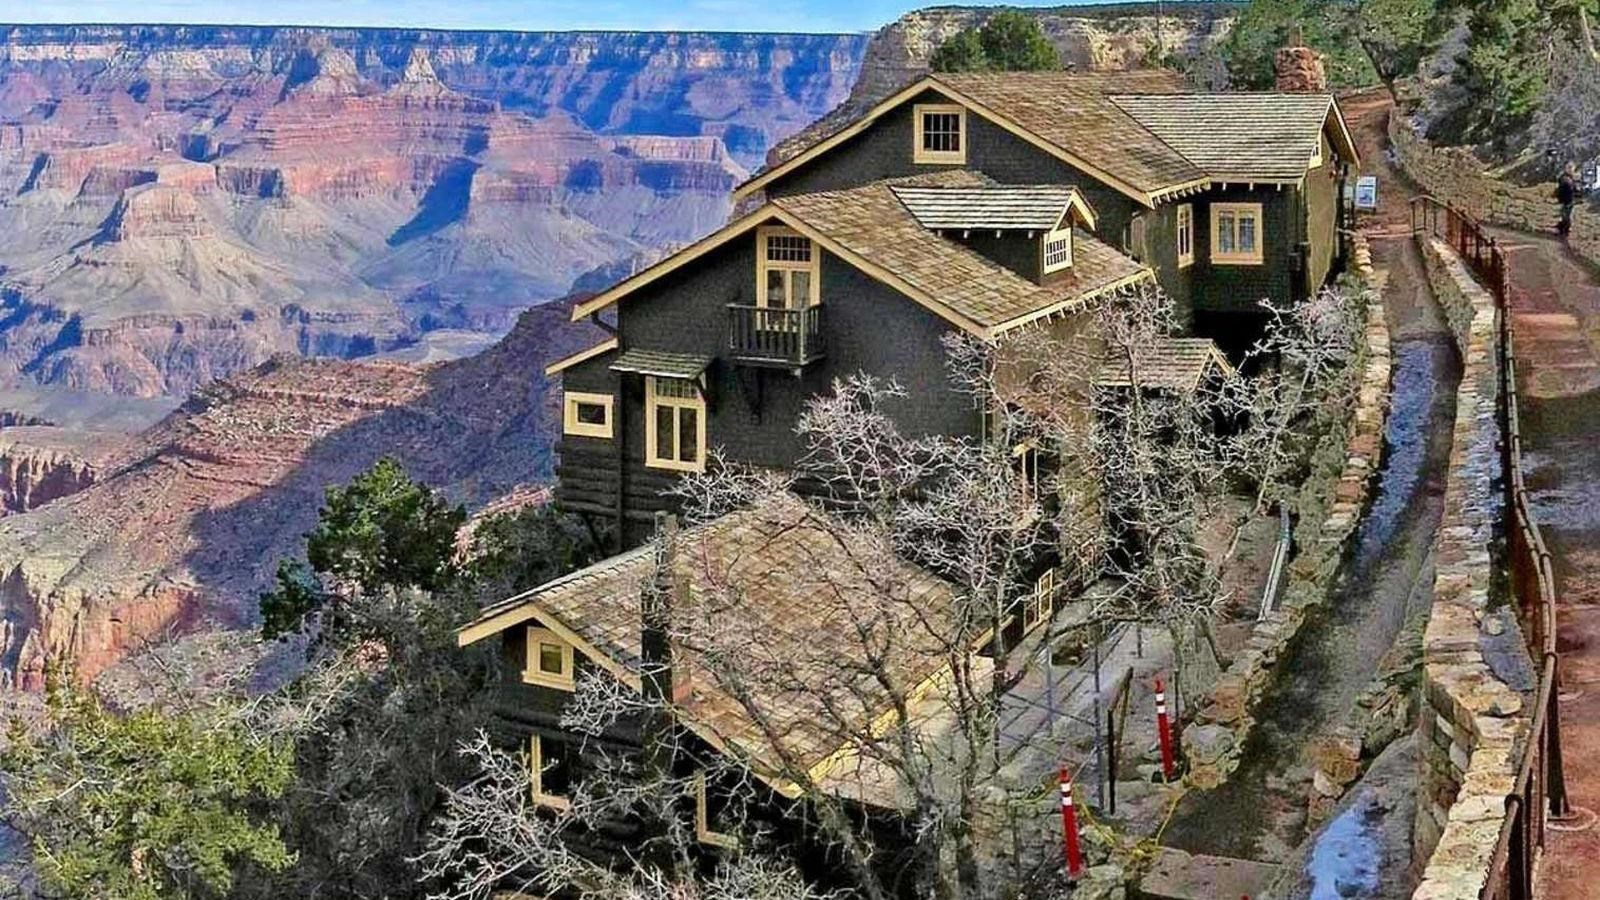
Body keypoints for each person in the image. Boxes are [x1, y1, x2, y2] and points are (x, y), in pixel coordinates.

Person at [1557, 162, 1579, 237]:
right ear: (1565, 168)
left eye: (1571, 168)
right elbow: (1561, 188)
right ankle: (1563, 228)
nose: (1570, 169)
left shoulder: (1572, 178)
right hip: (1564, 199)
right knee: (1564, 214)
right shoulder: (1563, 177)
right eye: (1568, 167)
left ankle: (1565, 229)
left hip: (1570, 199)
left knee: (1567, 215)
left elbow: (1575, 189)